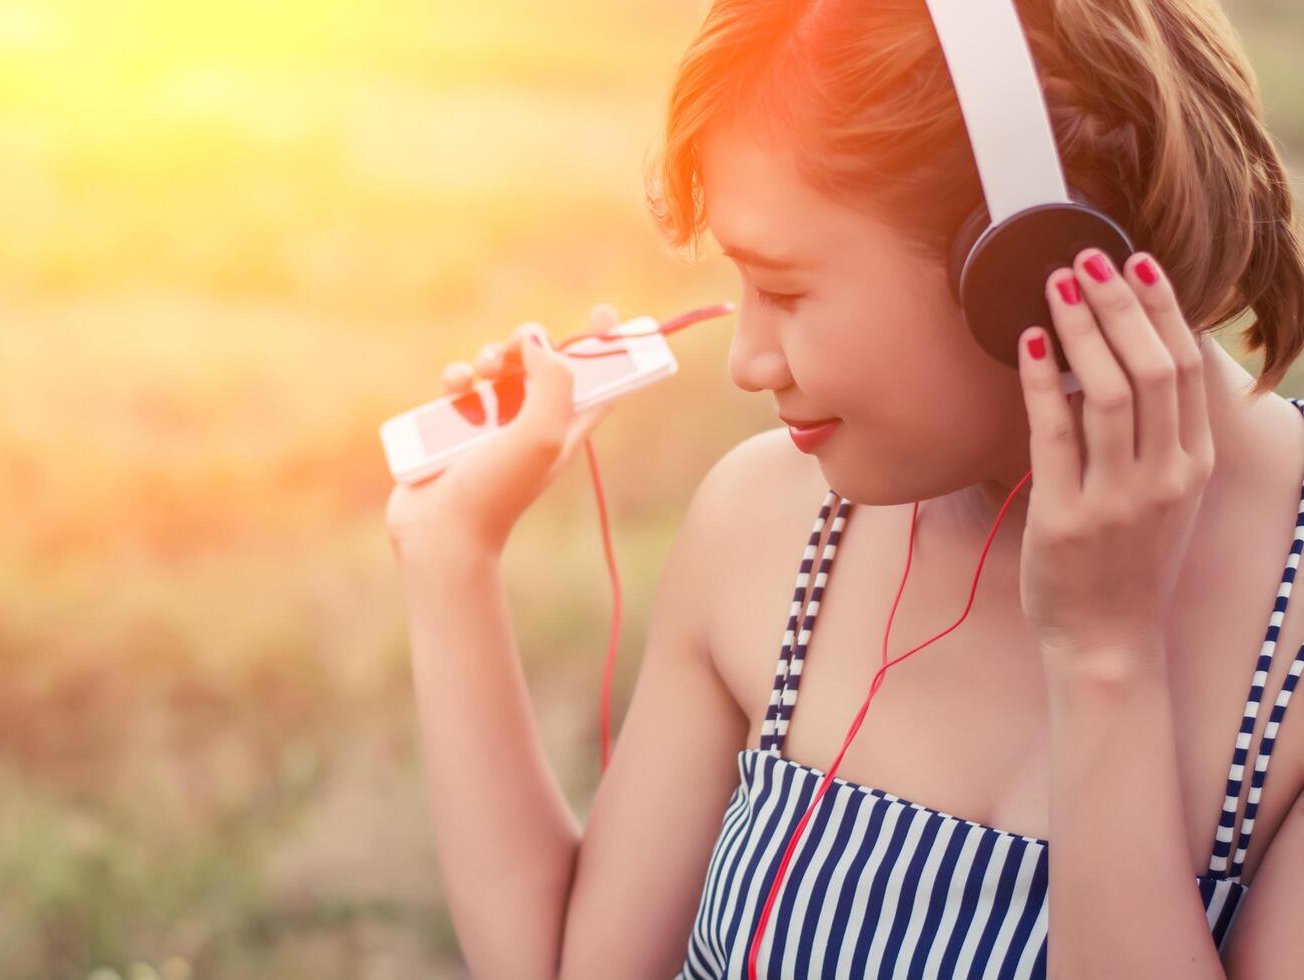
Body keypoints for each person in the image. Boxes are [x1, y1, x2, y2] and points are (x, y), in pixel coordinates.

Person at [384, 0, 1304, 976]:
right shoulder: (764, 521)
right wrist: (452, 558)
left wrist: (1106, 660)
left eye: (783, 289)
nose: (746, 359)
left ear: (1027, 262)